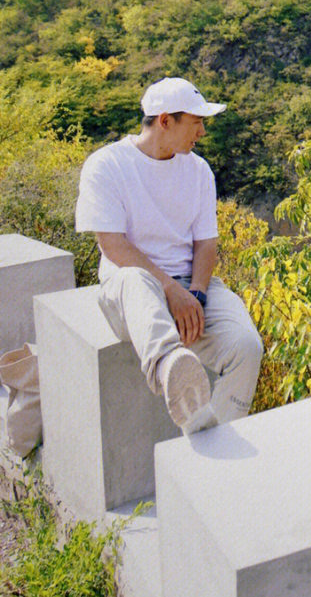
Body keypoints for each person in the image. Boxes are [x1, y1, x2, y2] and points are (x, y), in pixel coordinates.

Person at [75, 77, 263, 436]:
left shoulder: (198, 171)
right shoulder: (106, 165)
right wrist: (171, 292)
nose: (203, 132)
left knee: (246, 346)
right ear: (165, 121)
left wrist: (196, 293)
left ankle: (211, 445)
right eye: (196, 123)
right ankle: (170, 365)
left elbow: (206, 244)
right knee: (134, 279)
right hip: (131, 290)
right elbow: (112, 245)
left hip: (189, 287)